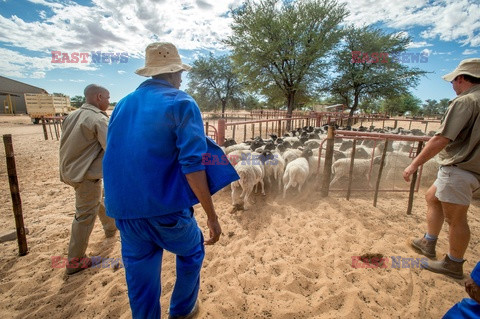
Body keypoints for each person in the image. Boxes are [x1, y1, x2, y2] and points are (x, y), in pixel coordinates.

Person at [102, 42, 238, 319]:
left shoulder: (123, 104)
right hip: (166, 210)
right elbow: (192, 164)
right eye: (180, 74)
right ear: (175, 73)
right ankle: (183, 310)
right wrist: (211, 215)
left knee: (140, 273)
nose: (181, 79)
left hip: (125, 211)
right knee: (192, 251)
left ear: (151, 73)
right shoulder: (181, 101)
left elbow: (117, 150)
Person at [403, 58, 480, 279]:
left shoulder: (465, 102)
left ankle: (453, 264)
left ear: (462, 78)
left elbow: (441, 139)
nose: (452, 85)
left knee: (456, 218)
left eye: (454, 80)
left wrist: (413, 164)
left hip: (460, 167)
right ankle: (428, 241)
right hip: (474, 167)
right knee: (432, 197)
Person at [59, 84, 117, 275]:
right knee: (84, 215)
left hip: (70, 171)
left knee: (95, 198)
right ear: (99, 97)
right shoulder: (97, 119)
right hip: (85, 174)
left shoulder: (72, 116)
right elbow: (113, 149)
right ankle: (75, 261)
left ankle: (110, 228)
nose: (109, 102)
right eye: (108, 98)